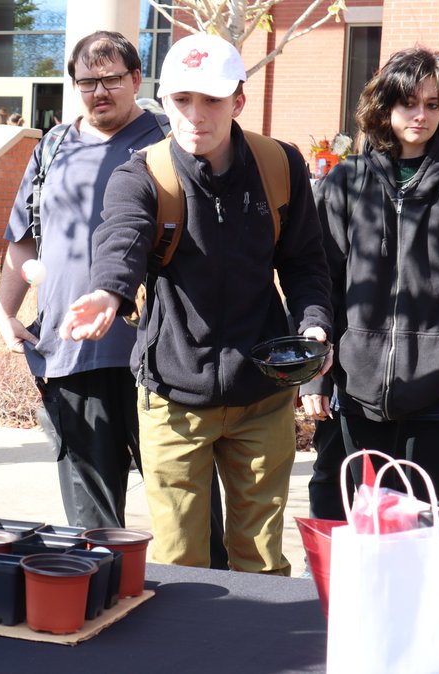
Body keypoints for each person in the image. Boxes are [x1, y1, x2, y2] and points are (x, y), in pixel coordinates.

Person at [59, 33, 333, 575]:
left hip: (263, 389)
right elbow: (123, 240)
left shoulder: (280, 165)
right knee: (181, 561)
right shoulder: (141, 175)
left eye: (211, 100)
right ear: (164, 101)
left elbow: (305, 262)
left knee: (260, 558)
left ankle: (262, 655)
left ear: (239, 100)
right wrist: (108, 290)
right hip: (173, 393)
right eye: (182, 100)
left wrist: (315, 323)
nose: (195, 116)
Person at [299, 48, 439, 508]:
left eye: (433, 105)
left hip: (438, 388)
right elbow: (320, 285)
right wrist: (315, 376)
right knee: (354, 516)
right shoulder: (346, 181)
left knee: (417, 523)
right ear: (385, 105)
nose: (421, 115)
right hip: (356, 386)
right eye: (410, 102)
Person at [0, 31, 170, 532]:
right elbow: (25, 236)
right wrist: (5, 312)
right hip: (70, 352)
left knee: (184, 511)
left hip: (153, 353)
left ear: (136, 79)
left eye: (112, 79)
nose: (100, 92)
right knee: (92, 524)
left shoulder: (165, 141)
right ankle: (102, 600)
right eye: (87, 82)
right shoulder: (52, 147)